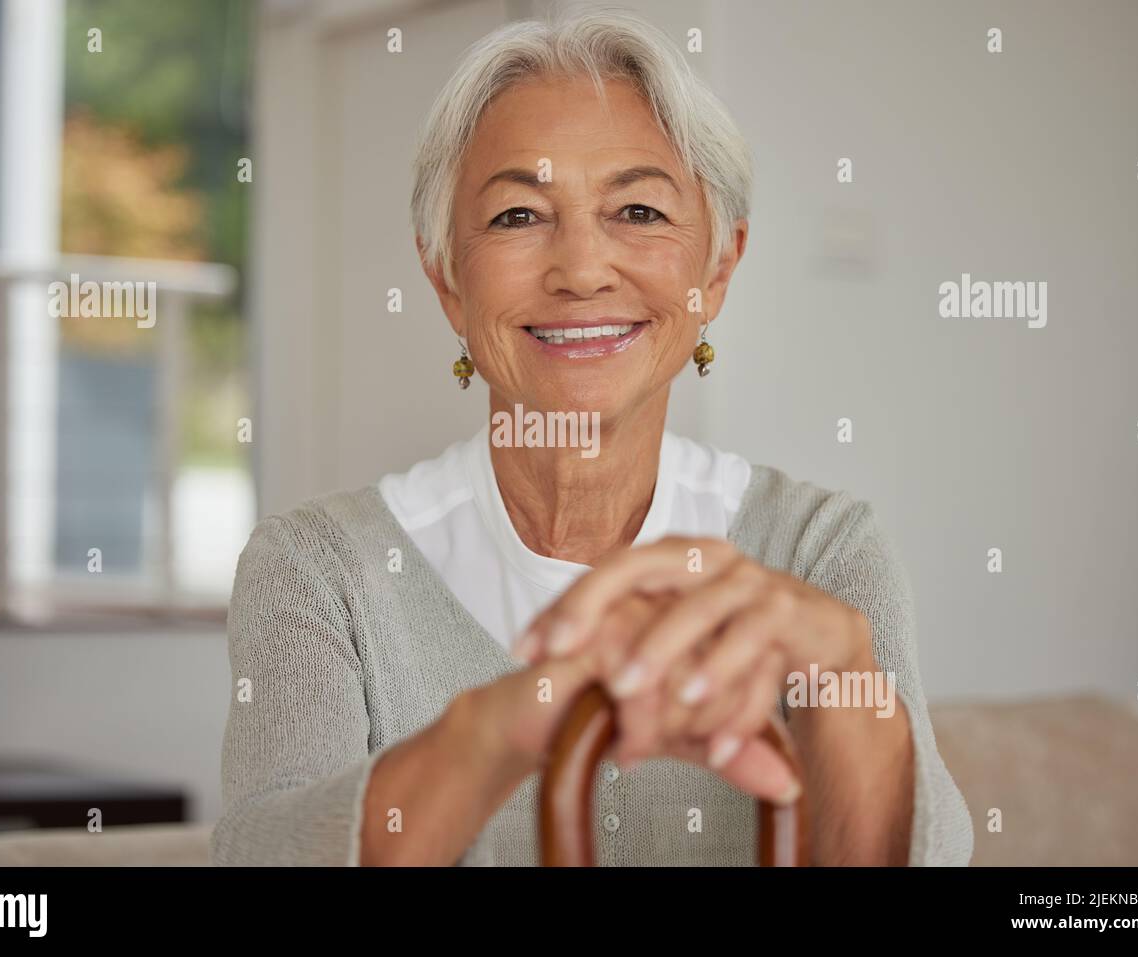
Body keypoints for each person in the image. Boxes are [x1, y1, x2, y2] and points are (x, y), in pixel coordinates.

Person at [211, 9, 973, 866]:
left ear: (716, 270)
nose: (580, 269)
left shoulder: (821, 550)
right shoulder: (318, 569)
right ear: (446, 279)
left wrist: (845, 685)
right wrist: (506, 722)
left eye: (639, 209)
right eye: (517, 217)